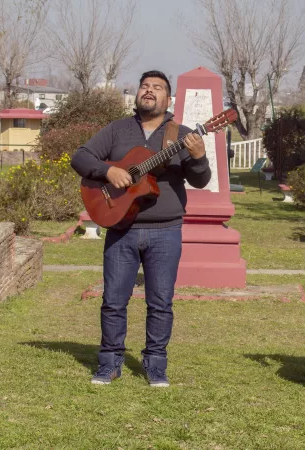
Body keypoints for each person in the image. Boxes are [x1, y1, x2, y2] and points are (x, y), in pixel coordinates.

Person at [71, 70, 211, 387]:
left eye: (157, 87)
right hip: (121, 227)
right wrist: (108, 171)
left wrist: (199, 158)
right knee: (113, 301)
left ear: (168, 99)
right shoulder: (117, 130)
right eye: (144, 86)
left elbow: (200, 180)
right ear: (137, 95)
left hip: (166, 231)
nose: (149, 91)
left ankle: (156, 365)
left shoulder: (182, 134)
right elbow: (80, 157)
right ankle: (109, 363)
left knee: (160, 303)